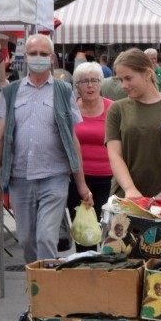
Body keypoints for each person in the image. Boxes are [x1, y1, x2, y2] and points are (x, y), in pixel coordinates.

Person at [0, 34, 92, 265]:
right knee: (26, 240)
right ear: (25, 57)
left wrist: (81, 183)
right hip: (19, 177)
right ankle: (36, 285)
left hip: (54, 176)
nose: (38, 58)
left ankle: (45, 292)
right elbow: (0, 137)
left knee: (47, 237)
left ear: (52, 58)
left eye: (43, 54)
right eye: (33, 54)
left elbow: (72, 139)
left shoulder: (64, 91)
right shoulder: (11, 92)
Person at [106, 48, 161, 198]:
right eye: (120, 80)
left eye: (128, 78)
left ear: (147, 74)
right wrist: (129, 189)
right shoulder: (117, 109)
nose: (123, 85)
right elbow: (115, 155)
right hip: (126, 198)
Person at [67, 62, 113, 252]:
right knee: (83, 232)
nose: (90, 85)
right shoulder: (69, 110)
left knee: (109, 231)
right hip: (77, 178)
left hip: (108, 178)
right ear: (76, 86)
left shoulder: (114, 109)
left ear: (101, 83)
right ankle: (85, 272)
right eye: (84, 81)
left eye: (94, 80)